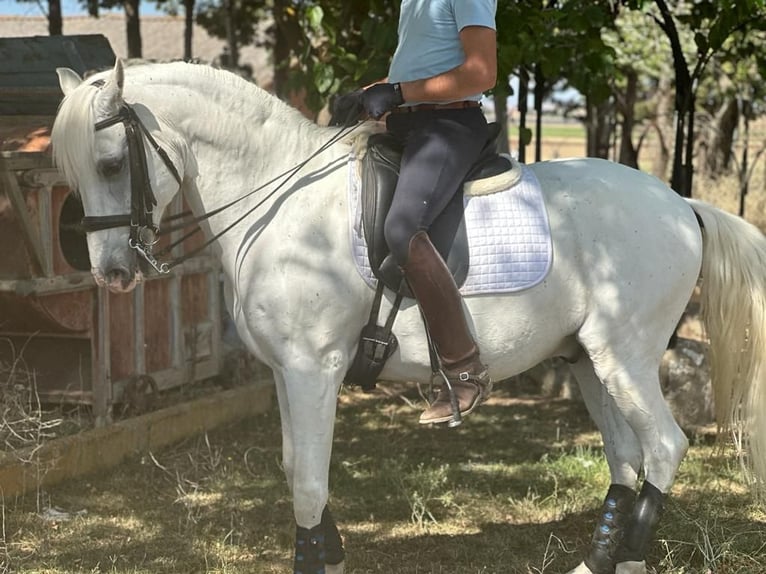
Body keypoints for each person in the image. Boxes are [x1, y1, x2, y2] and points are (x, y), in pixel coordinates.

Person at [334, 0, 498, 425]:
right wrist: (371, 91)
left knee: (404, 228)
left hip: (448, 126)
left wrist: (401, 93)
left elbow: (481, 73)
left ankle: (465, 370)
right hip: (409, 127)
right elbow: (420, 70)